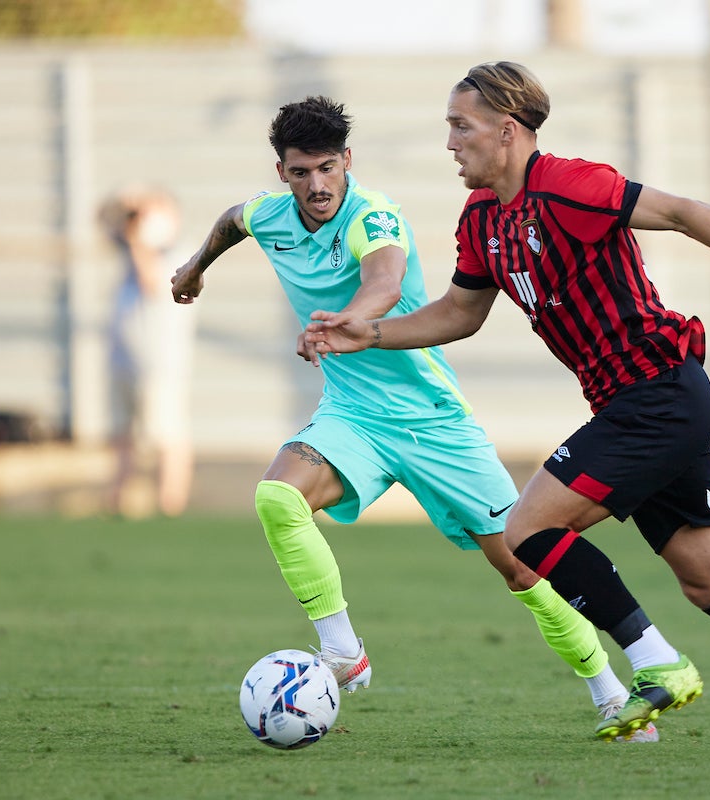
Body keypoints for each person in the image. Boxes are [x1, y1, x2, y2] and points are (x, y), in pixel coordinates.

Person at [306, 62, 710, 758]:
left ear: (508, 130)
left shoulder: (569, 184)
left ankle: (656, 662)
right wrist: (366, 332)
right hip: (636, 405)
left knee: (525, 528)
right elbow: (459, 314)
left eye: (461, 127)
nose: (450, 143)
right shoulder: (484, 219)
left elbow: (681, 212)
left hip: (660, 392)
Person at [168, 97, 652, 740]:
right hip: (354, 417)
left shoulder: (374, 213)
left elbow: (387, 279)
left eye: (326, 168)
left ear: (347, 161)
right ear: (282, 173)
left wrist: (351, 321)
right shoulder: (270, 215)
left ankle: (610, 691)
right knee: (278, 498)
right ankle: (341, 648)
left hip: (432, 422)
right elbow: (232, 221)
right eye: (301, 171)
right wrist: (194, 269)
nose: (316, 185)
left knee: (523, 565)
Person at [100, 186, 196, 518]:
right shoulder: (131, 248)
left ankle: (170, 505)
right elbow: (100, 219)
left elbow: (152, 283)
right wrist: (125, 204)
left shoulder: (180, 253)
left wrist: (139, 239)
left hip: (160, 365)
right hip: (123, 361)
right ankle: (117, 502)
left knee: (167, 437)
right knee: (122, 435)